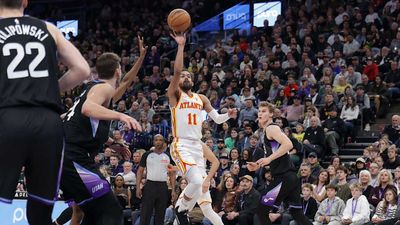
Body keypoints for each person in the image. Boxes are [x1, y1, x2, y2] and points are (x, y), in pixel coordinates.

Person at [0, 1, 90, 224]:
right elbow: (83, 70)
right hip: (48, 122)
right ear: (25, 2)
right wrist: (51, 88)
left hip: (8, 117)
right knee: (40, 210)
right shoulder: (48, 28)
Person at [60, 37, 146, 224]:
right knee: (112, 212)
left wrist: (112, 144)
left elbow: (127, 81)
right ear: (117, 70)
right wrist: (122, 116)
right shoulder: (103, 89)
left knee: (87, 213)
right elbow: (87, 108)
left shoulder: (94, 88)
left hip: (65, 157)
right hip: (74, 159)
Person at [167, 33, 236, 225]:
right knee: (197, 182)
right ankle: (180, 211)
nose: (186, 76)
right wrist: (181, 47)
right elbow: (177, 69)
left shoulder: (201, 98)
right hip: (181, 144)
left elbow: (216, 118)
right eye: (183, 75)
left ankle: (181, 213)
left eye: (189, 75)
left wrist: (227, 115)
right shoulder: (175, 95)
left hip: (197, 145)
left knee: (198, 186)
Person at [247, 101, 313, 225]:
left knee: (261, 211)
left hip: (284, 177)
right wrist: (259, 164)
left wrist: (269, 159)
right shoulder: (266, 130)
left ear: (271, 114)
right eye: (259, 111)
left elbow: (288, 144)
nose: (260, 114)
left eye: (264, 111)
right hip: (291, 178)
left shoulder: (271, 128)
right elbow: (277, 152)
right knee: (296, 213)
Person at [135, 134, 176, 225]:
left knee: (160, 214)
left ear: (164, 142)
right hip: (149, 185)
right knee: (145, 213)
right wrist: (138, 187)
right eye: (156, 140)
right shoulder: (147, 154)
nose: (158, 142)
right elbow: (140, 171)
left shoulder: (168, 156)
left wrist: (173, 190)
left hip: (163, 186)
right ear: (153, 142)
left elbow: (172, 174)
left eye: (160, 140)